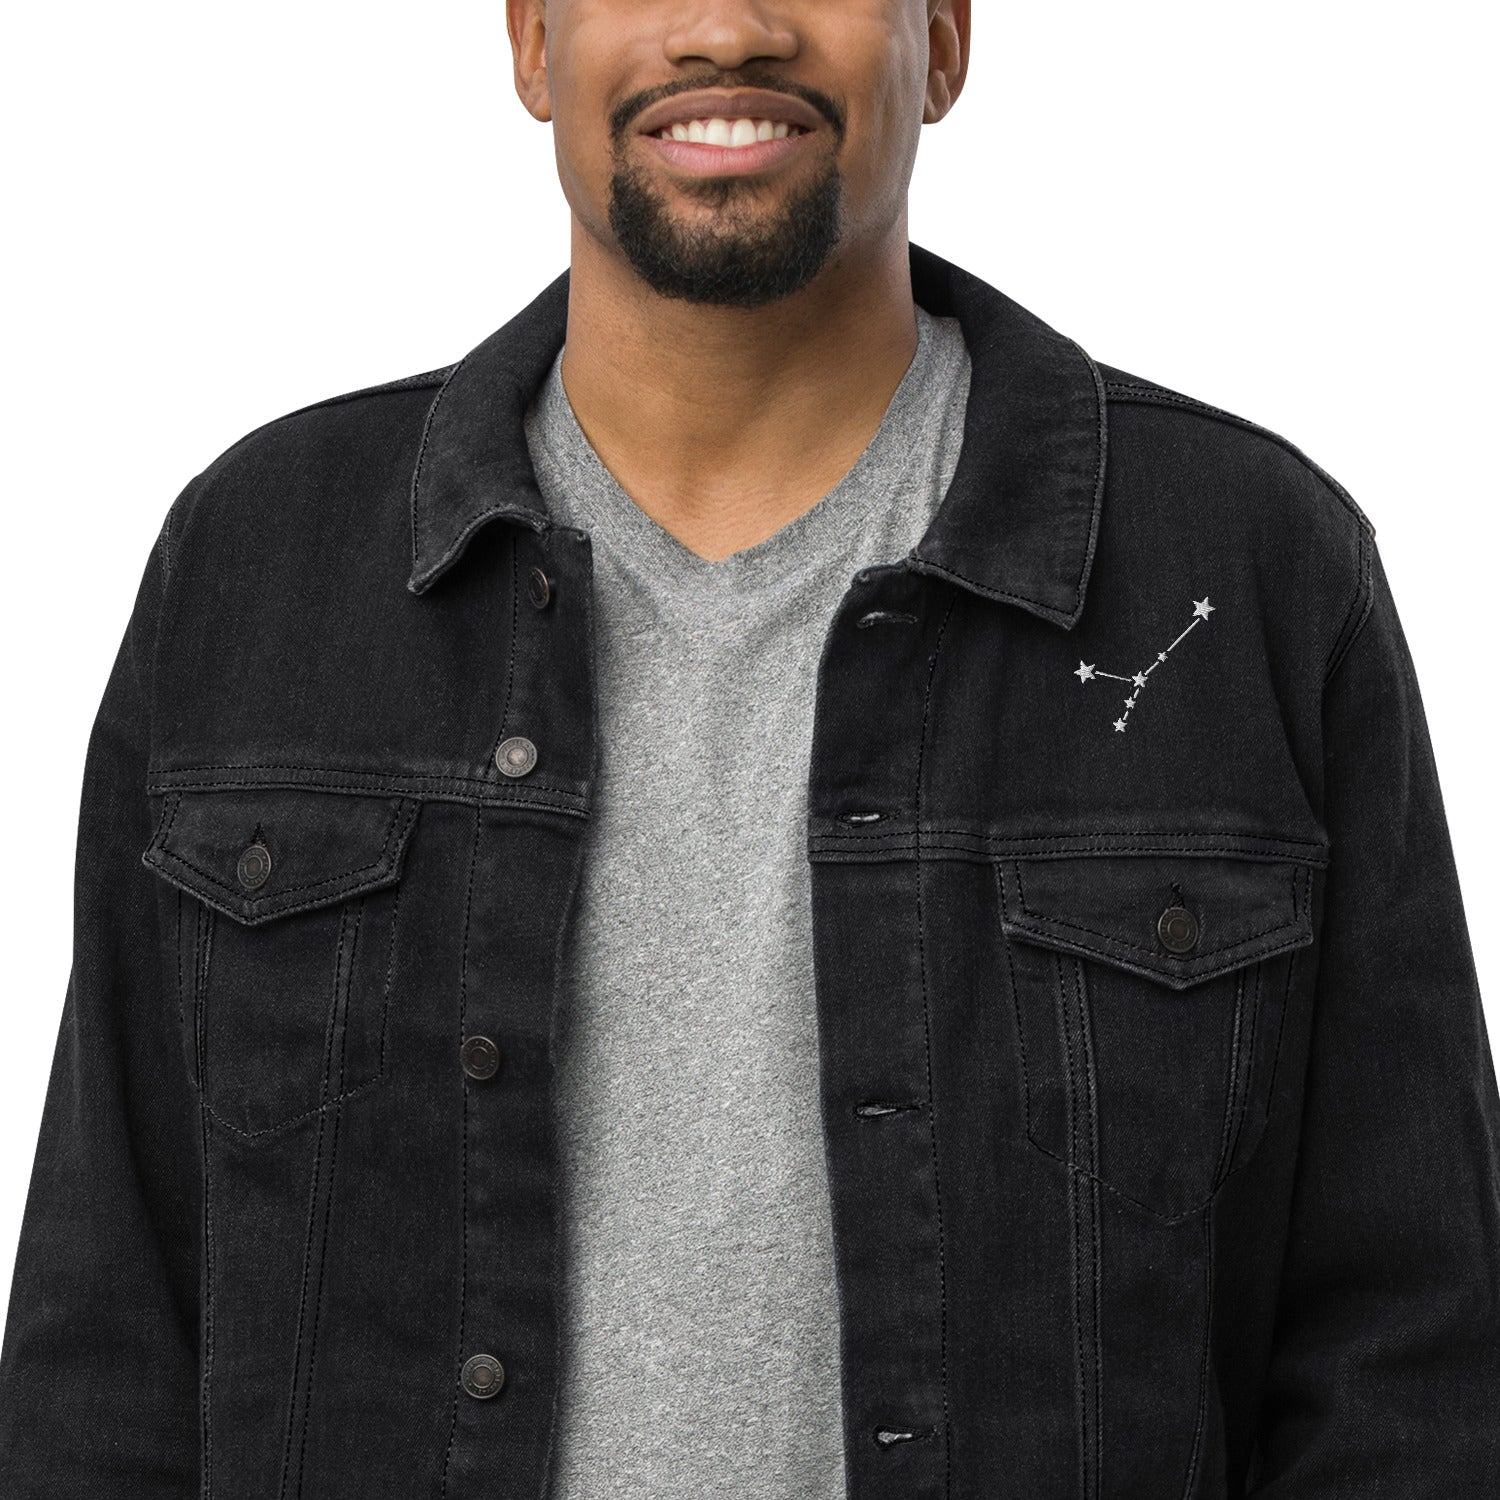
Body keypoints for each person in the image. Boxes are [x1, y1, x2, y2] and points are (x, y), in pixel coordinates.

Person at [3, 2, 1497, 1495]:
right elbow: (105, 1348)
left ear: (944, 40)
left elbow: (1416, 1367)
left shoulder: (1250, 572)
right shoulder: (260, 563)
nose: (727, 27)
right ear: (531, 43)